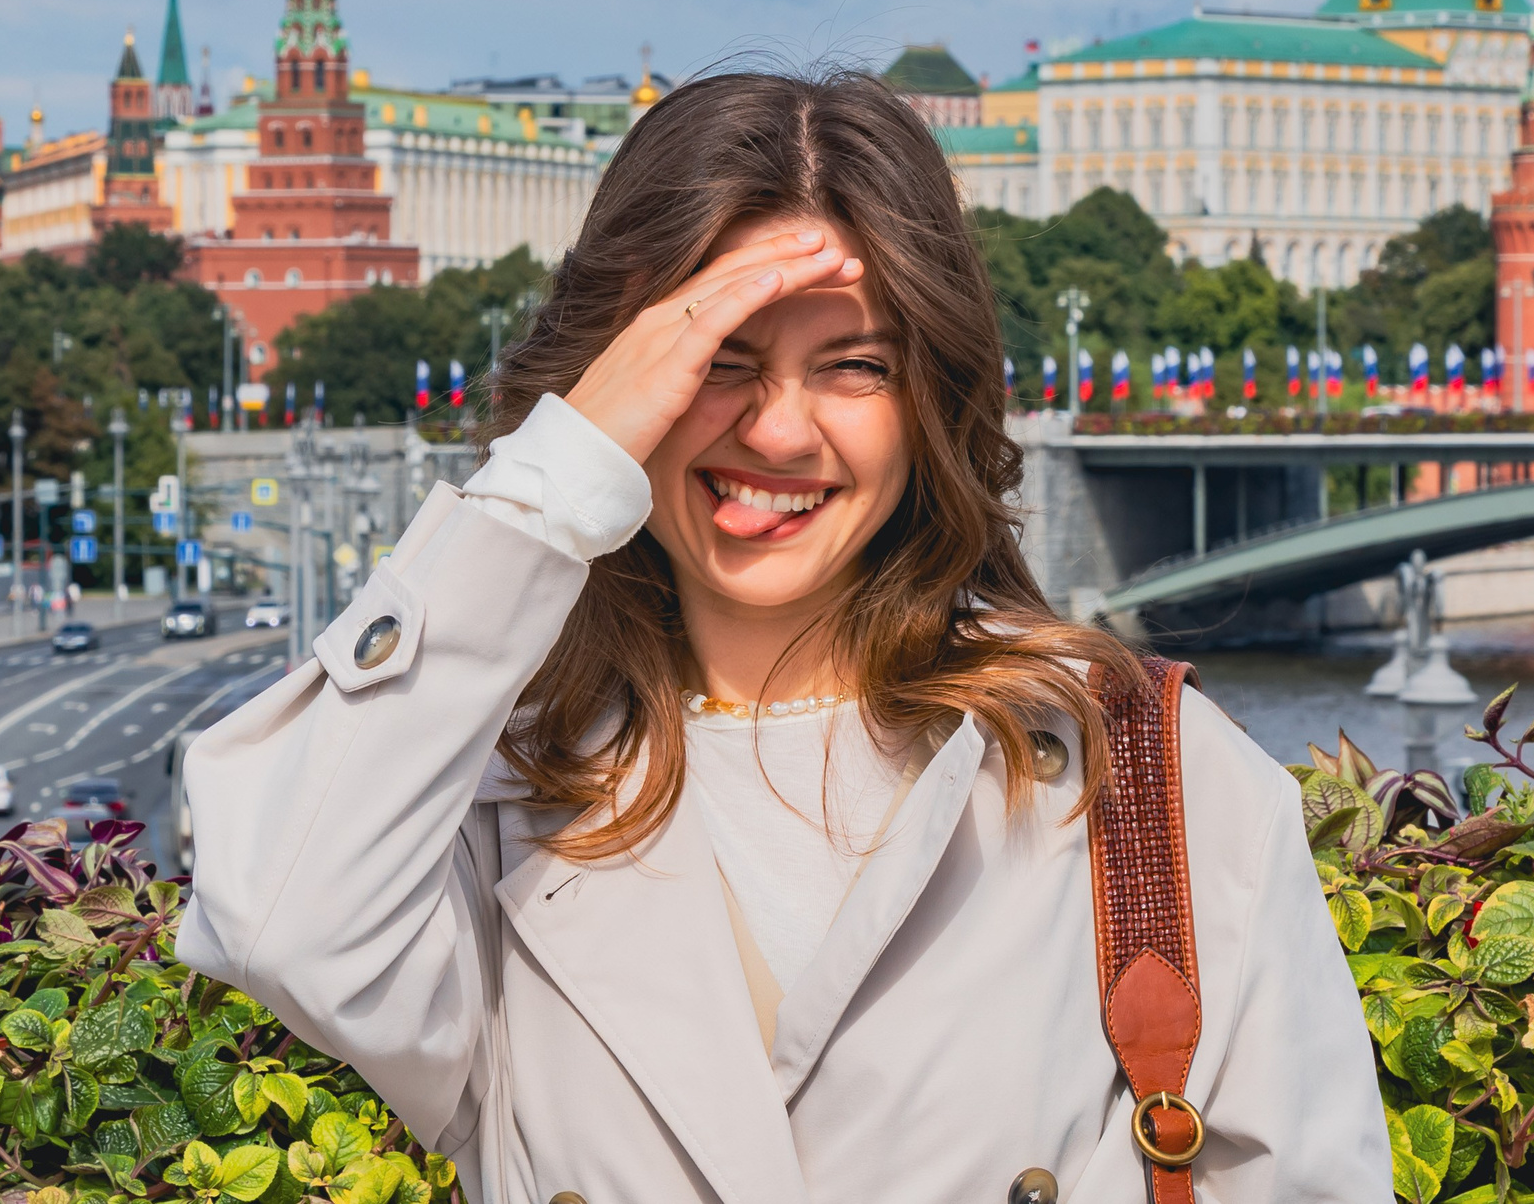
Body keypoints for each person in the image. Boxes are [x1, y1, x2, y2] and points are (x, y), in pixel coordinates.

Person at [178, 71, 1384, 1202]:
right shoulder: (495, 803)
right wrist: (551, 483)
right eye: (718, 360)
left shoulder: (1138, 767)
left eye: (853, 366)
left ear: (930, 400)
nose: (780, 432)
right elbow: (283, 919)